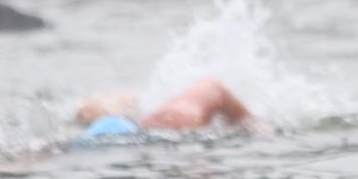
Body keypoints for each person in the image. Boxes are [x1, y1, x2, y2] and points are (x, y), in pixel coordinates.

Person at [75, 77, 256, 139]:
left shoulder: (174, 120)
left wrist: (250, 126)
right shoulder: (172, 120)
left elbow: (214, 87)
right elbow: (214, 88)